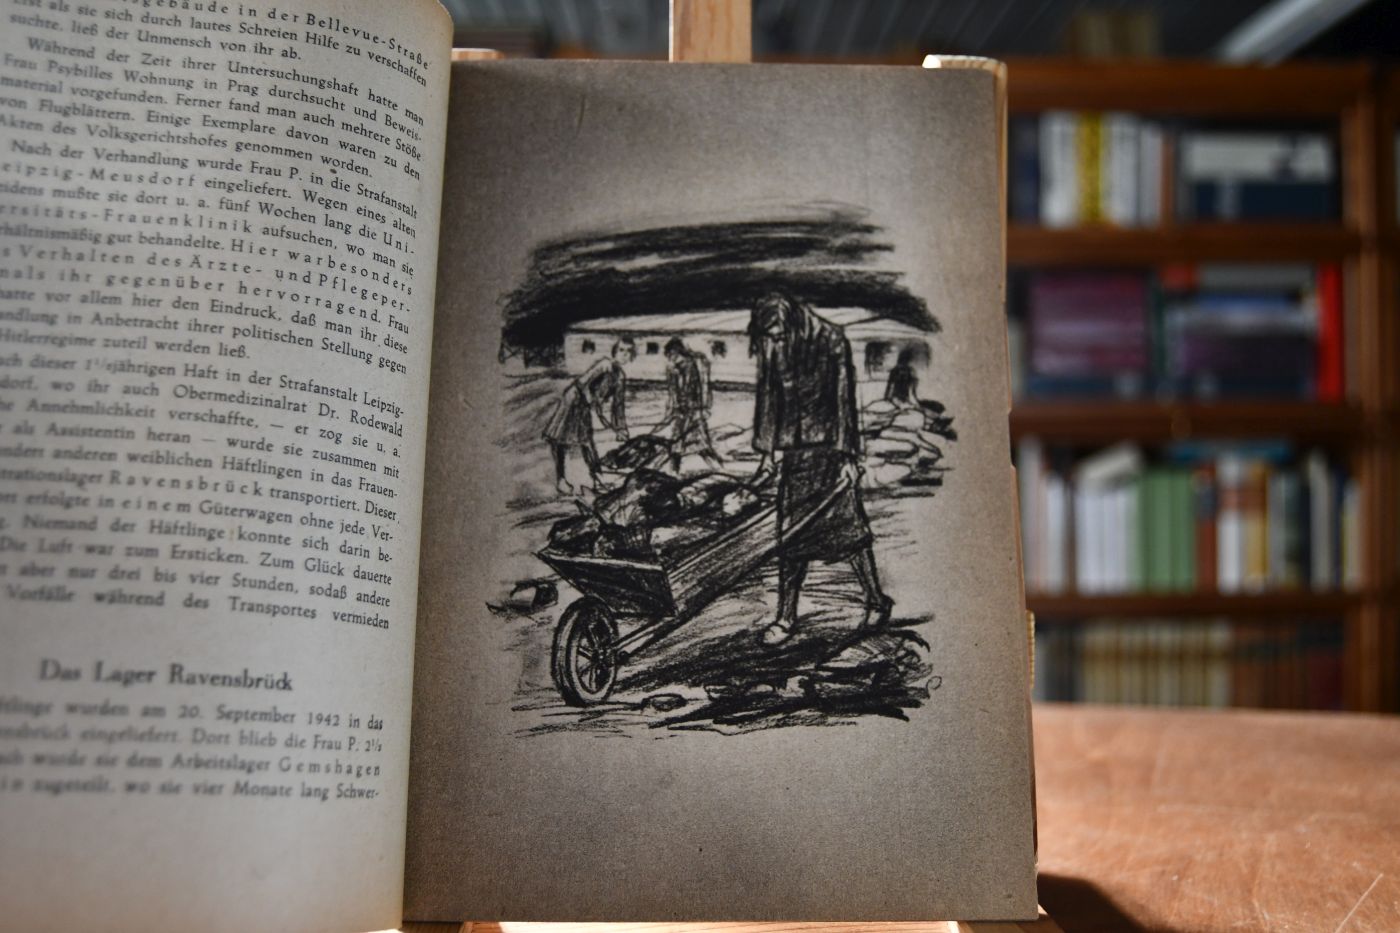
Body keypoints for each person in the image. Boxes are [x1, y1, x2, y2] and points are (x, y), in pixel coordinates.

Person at [747, 292, 893, 646]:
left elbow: (844, 400)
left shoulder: (830, 338)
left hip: (829, 452)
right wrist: (766, 451)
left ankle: (876, 600)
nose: (775, 342)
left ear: (793, 323)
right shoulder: (772, 342)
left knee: (849, 533)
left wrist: (848, 456)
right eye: (769, 337)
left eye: (780, 335)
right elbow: (768, 395)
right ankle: (785, 617)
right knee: (791, 537)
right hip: (795, 455)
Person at [543, 338, 635, 495]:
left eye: (629, 351)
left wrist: (621, 428)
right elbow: (582, 382)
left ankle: (595, 479)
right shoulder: (604, 364)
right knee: (561, 439)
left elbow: (618, 406)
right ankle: (561, 480)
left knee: (586, 442)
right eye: (621, 350)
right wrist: (592, 404)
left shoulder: (620, 376)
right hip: (574, 399)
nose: (625, 354)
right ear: (614, 351)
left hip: (585, 405)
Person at [660, 337, 722, 471]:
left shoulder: (689, 366)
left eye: (671, 355)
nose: (670, 358)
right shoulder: (677, 368)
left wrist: (701, 408)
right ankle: (674, 470)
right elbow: (675, 392)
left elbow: (695, 390)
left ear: (677, 352)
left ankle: (717, 468)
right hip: (684, 411)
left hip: (693, 411)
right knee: (680, 441)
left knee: (698, 442)